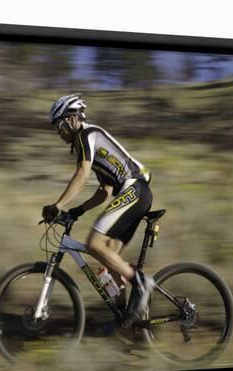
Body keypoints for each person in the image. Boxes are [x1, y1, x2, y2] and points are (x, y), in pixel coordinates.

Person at [42, 93, 155, 326]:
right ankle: (130, 320)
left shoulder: (86, 135)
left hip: (134, 190)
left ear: (71, 119)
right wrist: (77, 210)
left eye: (59, 125)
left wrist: (58, 205)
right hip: (136, 193)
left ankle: (141, 282)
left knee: (94, 243)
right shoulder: (90, 142)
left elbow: (81, 174)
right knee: (110, 264)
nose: (58, 132)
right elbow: (104, 190)